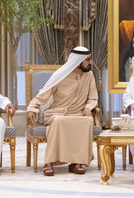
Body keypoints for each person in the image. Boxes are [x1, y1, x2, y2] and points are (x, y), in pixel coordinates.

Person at [27, 46, 98, 176]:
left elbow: (93, 98)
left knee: (87, 120)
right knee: (59, 120)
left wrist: (88, 108)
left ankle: (76, 162)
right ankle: (49, 162)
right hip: (56, 113)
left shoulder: (89, 76)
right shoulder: (61, 75)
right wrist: (32, 108)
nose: (91, 62)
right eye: (88, 60)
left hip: (77, 114)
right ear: (78, 62)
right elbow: (44, 95)